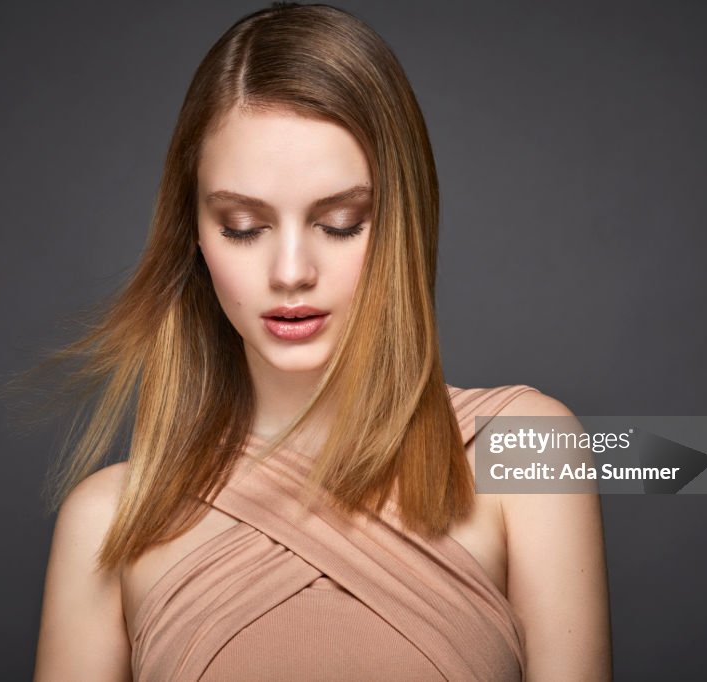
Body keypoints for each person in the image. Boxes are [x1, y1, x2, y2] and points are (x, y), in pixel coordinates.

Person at [31, 3, 611, 680]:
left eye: (340, 223)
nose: (290, 273)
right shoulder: (107, 522)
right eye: (244, 226)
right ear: (193, 232)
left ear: (400, 219)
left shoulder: (531, 450)